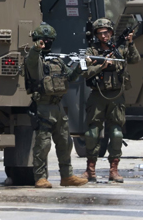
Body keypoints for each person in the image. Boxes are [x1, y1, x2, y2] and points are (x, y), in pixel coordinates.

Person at [23, 22, 88, 188]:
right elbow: (31, 60)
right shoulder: (34, 60)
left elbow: (70, 77)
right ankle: (40, 177)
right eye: (43, 40)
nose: (46, 42)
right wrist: (36, 48)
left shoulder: (57, 61)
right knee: (43, 144)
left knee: (65, 142)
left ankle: (67, 176)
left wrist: (81, 66)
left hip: (58, 106)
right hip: (43, 107)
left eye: (49, 40)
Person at [81, 18, 140, 183]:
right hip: (97, 95)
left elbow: (135, 59)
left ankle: (114, 170)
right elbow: (84, 71)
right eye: (100, 33)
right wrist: (102, 66)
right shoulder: (91, 51)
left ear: (111, 32)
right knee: (92, 133)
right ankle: (90, 169)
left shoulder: (120, 49)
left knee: (116, 133)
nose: (103, 36)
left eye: (106, 32)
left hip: (116, 95)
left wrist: (131, 42)